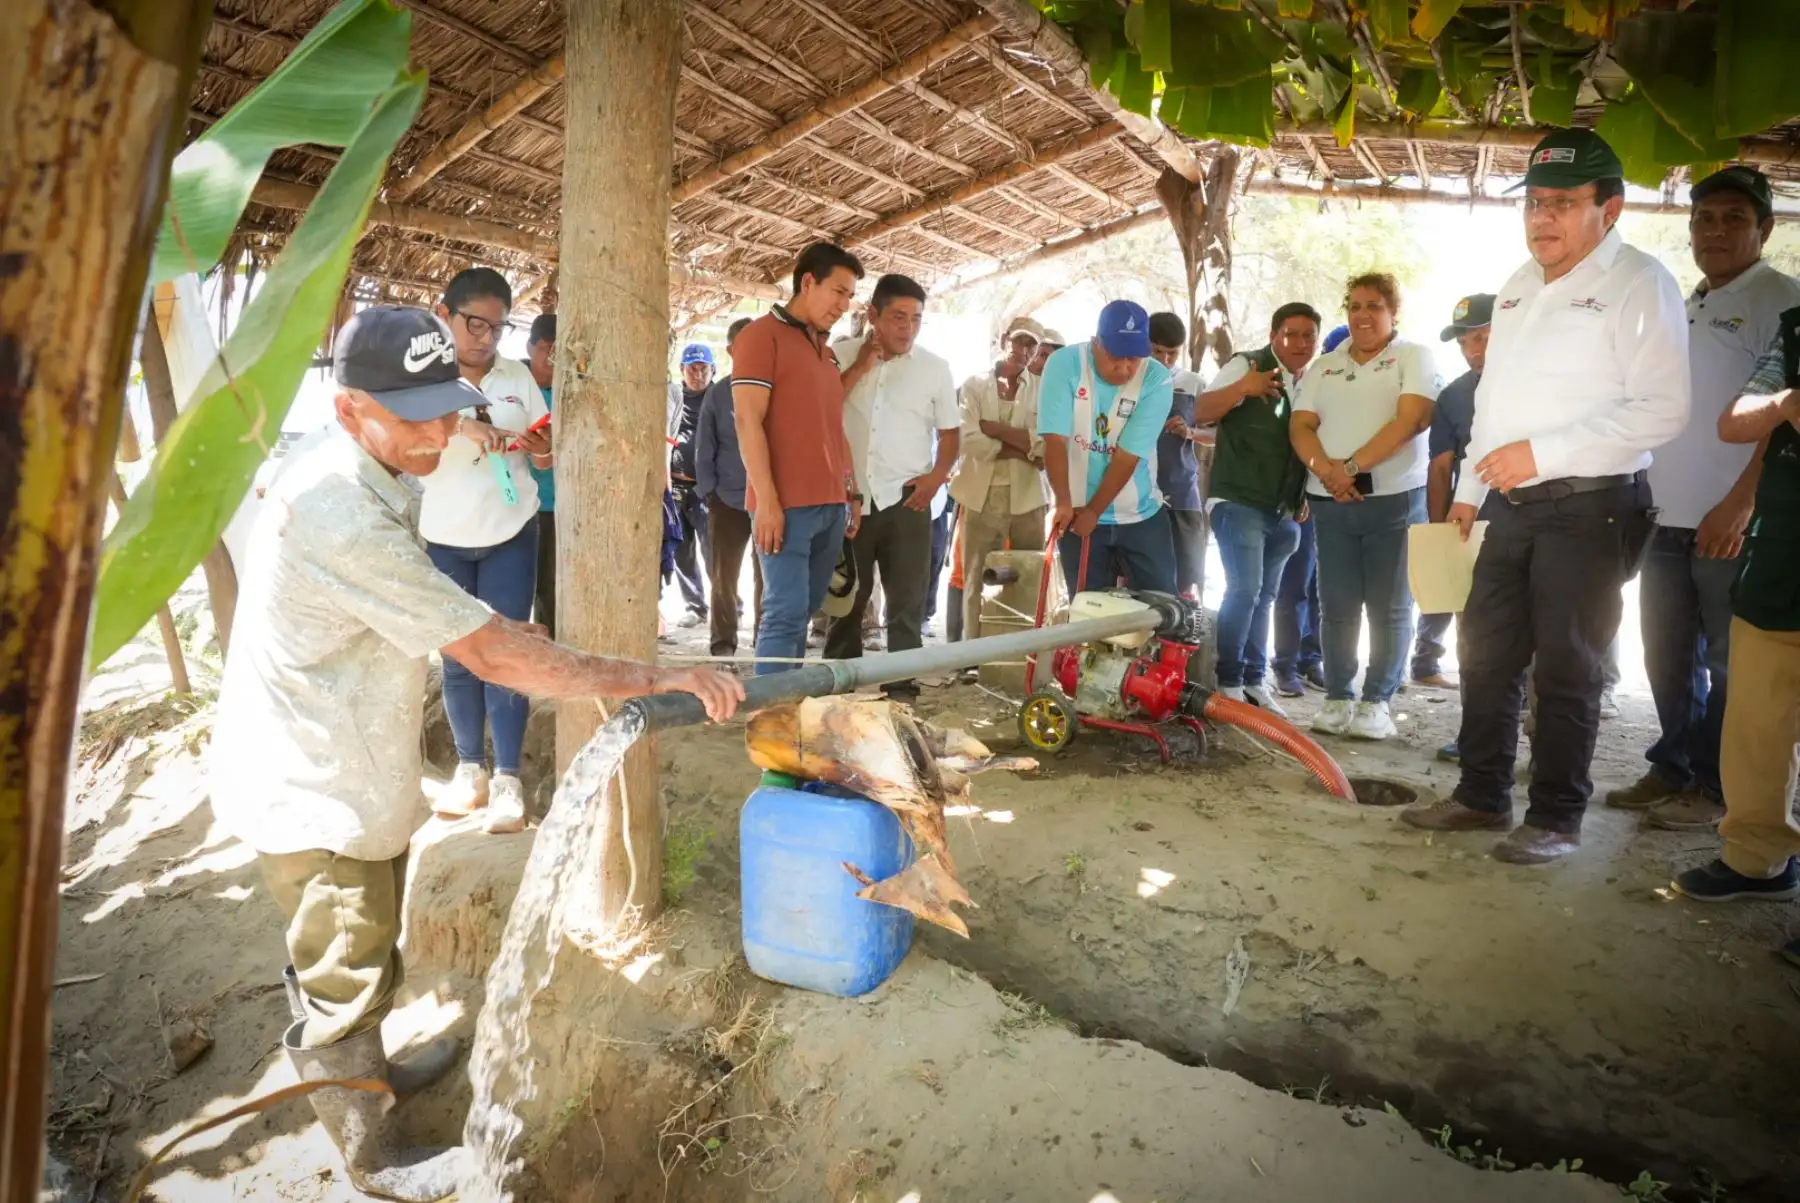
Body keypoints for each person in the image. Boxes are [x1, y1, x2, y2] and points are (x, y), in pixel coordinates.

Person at [209, 306, 743, 1203]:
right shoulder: (342, 510)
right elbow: (492, 659)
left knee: (364, 942)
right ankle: (373, 1156)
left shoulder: (359, 465)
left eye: (446, 409)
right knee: (343, 966)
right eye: (412, 417)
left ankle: (372, 1076)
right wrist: (657, 674)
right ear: (347, 409)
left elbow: (440, 612)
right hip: (313, 781)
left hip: (344, 751)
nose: (437, 434)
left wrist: (492, 625)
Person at [1400, 128, 1689, 865]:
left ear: (1610, 209)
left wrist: (1544, 453)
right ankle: (1481, 795)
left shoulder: (1641, 283)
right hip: (1506, 507)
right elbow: (1493, 400)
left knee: (1567, 667)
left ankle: (1557, 817)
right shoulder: (1519, 284)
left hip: (1591, 507)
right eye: (1533, 202)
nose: (1542, 217)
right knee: (1484, 654)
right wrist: (1469, 488)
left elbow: (1664, 410)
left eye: (1562, 202)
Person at [1609, 166, 1800, 831]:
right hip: (1664, 515)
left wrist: (1742, 503)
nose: (1716, 232)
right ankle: (1672, 766)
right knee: (1666, 657)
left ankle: (1716, 785)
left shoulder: (1781, 300)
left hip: (1731, 522)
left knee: (1731, 663)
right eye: (1705, 220)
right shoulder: (1688, 299)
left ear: (1765, 229)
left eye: (1734, 219)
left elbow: (1782, 417)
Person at [1669, 328, 1800, 935]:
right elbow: (1735, 420)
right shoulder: (1795, 330)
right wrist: (1786, 403)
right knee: (1755, 721)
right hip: (1781, 557)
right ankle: (1756, 860)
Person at [422, 268, 550, 833]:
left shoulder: (517, 376)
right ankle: (469, 770)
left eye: (497, 328)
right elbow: (406, 430)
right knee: (459, 659)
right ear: (444, 316)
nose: (486, 337)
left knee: (507, 656)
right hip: (443, 535)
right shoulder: (424, 377)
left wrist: (542, 447)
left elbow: (544, 454)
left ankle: (507, 781)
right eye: (475, 323)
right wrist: (465, 427)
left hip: (510, 532)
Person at [1291, 274, 1440, 741]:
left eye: (1374, 306)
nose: (1362, 315)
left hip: (1393, 501)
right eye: (1354, 306)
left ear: (1393, 312)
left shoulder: (1413, 357)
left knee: (1389, 608)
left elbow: (1411, 420)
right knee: (1336, 606)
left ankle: (1377, 701)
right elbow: (1301, 426)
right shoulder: (1325, 366)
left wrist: (1351, 468)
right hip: (1330, 501)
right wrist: (1327, 472)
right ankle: (1338, 697)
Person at [734, 241, 865, 675]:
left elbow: (833, 427)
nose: (844, 304)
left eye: (850, 296)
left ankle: (787, 702)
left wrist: (851, 492)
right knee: (784, 612)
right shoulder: (760, 336)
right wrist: (767, 500)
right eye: (838, 291)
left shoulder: (825, 352)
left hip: (831, 504)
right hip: (785, 504)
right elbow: (747, 422)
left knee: (804, 611)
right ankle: (770, 711)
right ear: (808, 282)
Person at [828, 274, 960, 699]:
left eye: (916, 319)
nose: (908, 328)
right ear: (873, 315)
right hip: (850, 499)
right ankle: (838, 685)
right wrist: (861, 366)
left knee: (906, 602)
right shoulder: (839, 356)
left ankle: (902, 689)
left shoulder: (935, 368)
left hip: (908, 501)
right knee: (847, 598)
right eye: (898, 317)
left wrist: (936, 478)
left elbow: (951, 434)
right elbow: (822, 409)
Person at [1196, 302, 1320, 714]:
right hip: (1239, 501)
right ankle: (1228, 682)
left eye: (1308, 335)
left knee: (1264, 597)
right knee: (1244, 590)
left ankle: (1252, 681)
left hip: (1283, 512)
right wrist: (1242, 389)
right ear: (1273, 336)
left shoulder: (1313, 380)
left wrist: (1302, 494)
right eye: (1291, 334)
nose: (1300, 343)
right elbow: (1199, 411)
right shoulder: (1247, 365)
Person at [1039, 300, 1178, 595]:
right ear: (1096, 344)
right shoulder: (1064, 364)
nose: (1125, 368)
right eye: (1116, 357)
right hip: (1075, 512)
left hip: (1140, 513)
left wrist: (1095, 510)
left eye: (1134, 358)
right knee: (1087, 610)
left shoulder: (1157, 379)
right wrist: (1063, 501)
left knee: (1163, 606)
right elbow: (1054, 441)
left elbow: (1127, 456)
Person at [1413, 294, 1493, 694]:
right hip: (1472, 523)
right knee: (1472, 621)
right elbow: (1441, 467)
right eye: (1463, 343)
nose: (1471, 352)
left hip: (1537, 521)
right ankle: (1479, 717)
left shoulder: (1543, 386)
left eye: (1481, 339)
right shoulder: (1454, 396)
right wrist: (1439, 531)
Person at [951, 318, 1046, 641]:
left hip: (1028, 497)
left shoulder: (1042, 389)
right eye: (1020, 341)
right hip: (981, 494)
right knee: (976, 576)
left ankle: (1021, 652)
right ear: (1006, 340)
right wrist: (1022, 449)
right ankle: (972, 652)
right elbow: (968, 439)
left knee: (1028, 575)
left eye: (1032, 345)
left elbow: (1046, 445)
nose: (1024, 350)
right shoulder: (975, 384)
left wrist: (997, 430)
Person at [696, 316, 763, 660]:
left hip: (767, 501)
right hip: (727, 500)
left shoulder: (775, 387)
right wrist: (710, 492)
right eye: (744, 346)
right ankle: (723, 645)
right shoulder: (719, 393)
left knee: (768, 578)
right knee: (723, 578)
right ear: (731, 351)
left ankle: (767, 644)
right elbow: (704, 447)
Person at [1149, 312, 1211, 600]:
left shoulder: (1194, 383)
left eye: (1172, 353)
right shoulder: (1127, 379)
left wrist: (1190, 432)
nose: (1164, 360)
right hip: (1135, 499)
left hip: (1182, 496)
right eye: (1156, 351)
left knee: (1187, 584)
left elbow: (1217, 434)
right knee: (1142, 584)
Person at [668, 343, 714, 628]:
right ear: (681, 370)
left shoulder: (720, 398)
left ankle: (729, 604)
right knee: (682, 552)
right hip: (675, 486)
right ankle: (695, 607)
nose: (698, 375)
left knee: (715, 551)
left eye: (703, 369)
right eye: (692, 369)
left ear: (713, 369)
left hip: (707, 489)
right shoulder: (672, 397)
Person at [525, 314, 557, 637]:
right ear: (530, 347)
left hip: (557, 505)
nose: (553, 358)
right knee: (521, 584)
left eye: (561, 351)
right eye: (547, 348)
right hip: (518, 504)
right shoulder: (512, 387)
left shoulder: (572, 390)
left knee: (551, 587)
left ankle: (552, 646)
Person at [1270, 509, 1325, 696]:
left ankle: (1309, 660)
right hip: (1306, 507)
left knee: (1321, 591)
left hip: (1335, 510)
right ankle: (1285, 666)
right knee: (1295, 588)